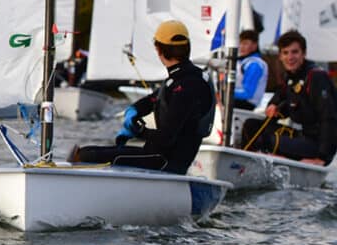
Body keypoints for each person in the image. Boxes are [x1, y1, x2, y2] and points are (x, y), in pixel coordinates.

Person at [71, 20, 214, 174]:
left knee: (86, 155)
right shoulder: (186, 77)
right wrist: (134, 110)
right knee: (87, 151)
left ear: (158, 49)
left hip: (165, 163)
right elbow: (155, 98)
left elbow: (166, 138)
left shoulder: (186, 84)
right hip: (159, 156)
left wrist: (138, 130)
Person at [239, 30, 337, 165]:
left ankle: (255, 166)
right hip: (300, 136)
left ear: (304, 54)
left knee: (268, 140)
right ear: (280, 56)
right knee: (251, 126)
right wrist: (273, 106)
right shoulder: (290, 77)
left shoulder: (316, 77)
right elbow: (280, 97)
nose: (290, 57)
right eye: (285, 53)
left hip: (316, 144)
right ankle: (242, 164)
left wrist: (322, 158)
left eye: (295, 52)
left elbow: (330, 118)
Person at [232, 29, 268, 110]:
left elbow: (248, 93)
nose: (241, 46)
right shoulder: (243, 62)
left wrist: (226, 92)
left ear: (255, 46)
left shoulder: (254, 64)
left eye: (245, 43)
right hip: (238, 102)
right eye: (240, 43)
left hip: (246, 105)